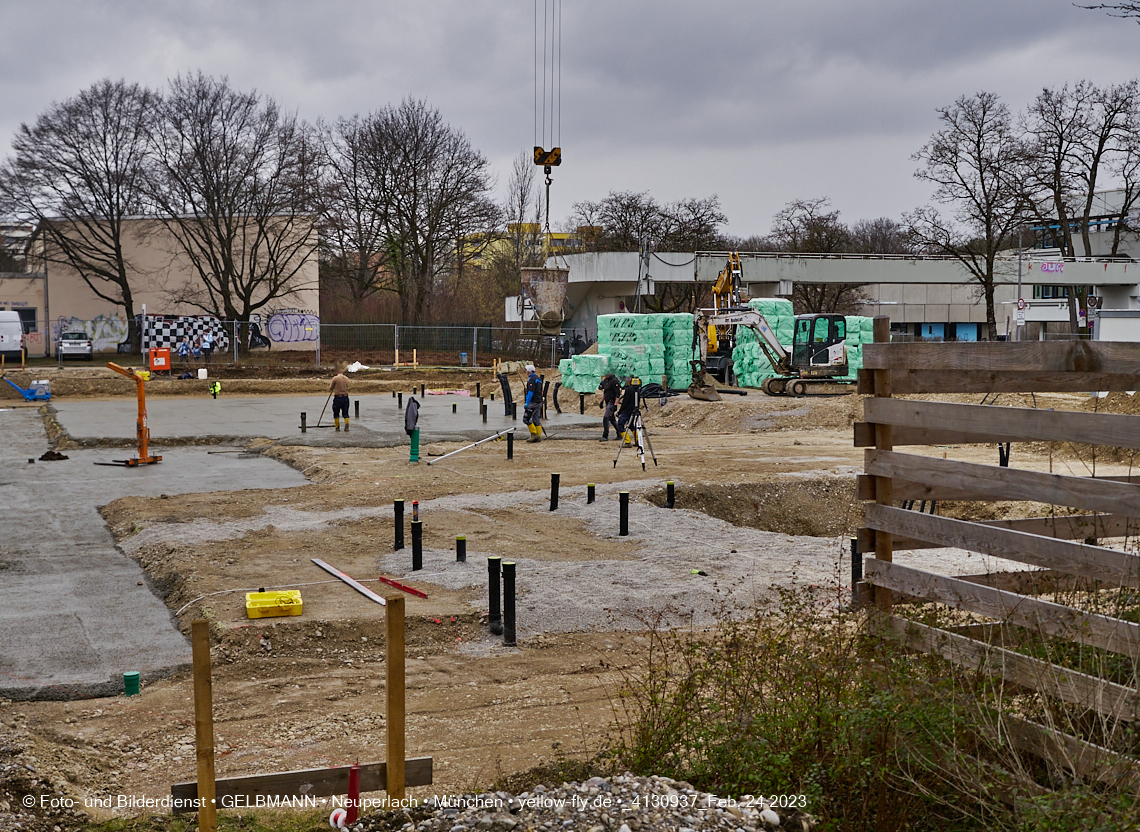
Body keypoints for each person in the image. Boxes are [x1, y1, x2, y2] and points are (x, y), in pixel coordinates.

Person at [614, 376, 640, 445]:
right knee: (631, 425)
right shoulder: (638, 391)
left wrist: (619, 412)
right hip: (634, 411)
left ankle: (627, 441)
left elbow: (625, 402)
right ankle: (638, 440)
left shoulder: (628, 390)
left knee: (620, 424)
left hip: (626, 411)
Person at [523, 363, 544, 442]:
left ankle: (534, 434)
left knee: (526, 419)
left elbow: (531, 392)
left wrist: (527, 402)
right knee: (536, 419)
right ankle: (538, 436)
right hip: (539, 402)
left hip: (533, 402)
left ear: (528, 371)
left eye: (526, 370)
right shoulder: (538, 379)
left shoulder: (531, 379)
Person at [598, 372, 620, 441]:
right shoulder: (605, 381)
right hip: (607, 402)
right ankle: (619, 432)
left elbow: (617, 394)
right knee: (611, 418)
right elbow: (605, 392)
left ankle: (605, 435)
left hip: (612, 402)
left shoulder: (614, 381)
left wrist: (615, 404)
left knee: (606, 417)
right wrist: (602, 401)